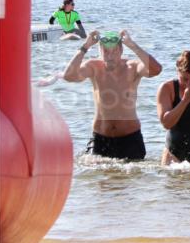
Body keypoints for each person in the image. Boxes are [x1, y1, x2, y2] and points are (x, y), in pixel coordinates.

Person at [63, 30, 162, 160]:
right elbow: (69, 76)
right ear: (100, 51)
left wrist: (133, 46)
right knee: (98, 178)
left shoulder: (132, 67)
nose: (110, 56)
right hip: (101, 138)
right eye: (106, 51)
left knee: (132, 178)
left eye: (114, 51)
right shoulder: (93, 67)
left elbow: (156, 70)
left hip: (130, 138)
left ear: (121, 51)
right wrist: (85, 46)